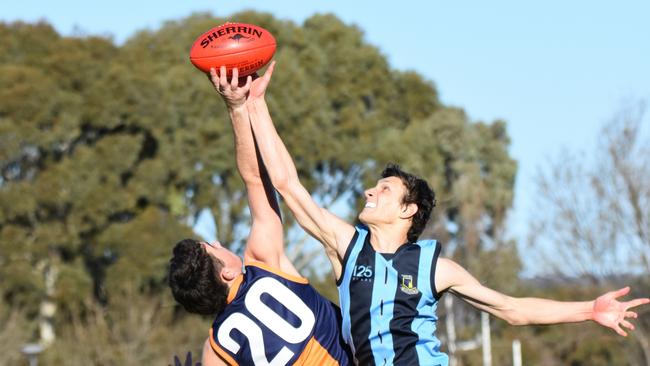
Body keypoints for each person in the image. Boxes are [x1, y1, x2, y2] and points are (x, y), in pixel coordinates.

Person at [244, 61, 650, 366]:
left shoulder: (435, 268)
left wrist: (588, 310)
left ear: (408, 210)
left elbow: (512, 309)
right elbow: (286, 184)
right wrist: (255, 104)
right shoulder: (347, 247)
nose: (371, 191)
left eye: (385, 189)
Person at [168, 66, 351, 366]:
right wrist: (237, 107)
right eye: (212, 247)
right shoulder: (263, 263)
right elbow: (254, 178)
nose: (217, 242)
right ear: (226, 271)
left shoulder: (215, 349)